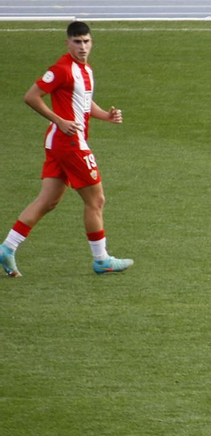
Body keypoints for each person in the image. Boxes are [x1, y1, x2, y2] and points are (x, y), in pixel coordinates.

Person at [1, 22, 132, 278]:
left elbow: (83, 101)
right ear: (67, 43)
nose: (82, 47)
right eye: (77, 42)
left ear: (91, 42)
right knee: (96, 200)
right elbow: (32, 96)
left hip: (59, 143)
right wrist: (58, 119)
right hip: (70, 143)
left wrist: (105, 115)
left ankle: (7, 247)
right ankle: (101, 259)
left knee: (48, 200)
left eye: (86, 41)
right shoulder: (61, 69)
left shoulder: (85, 70)